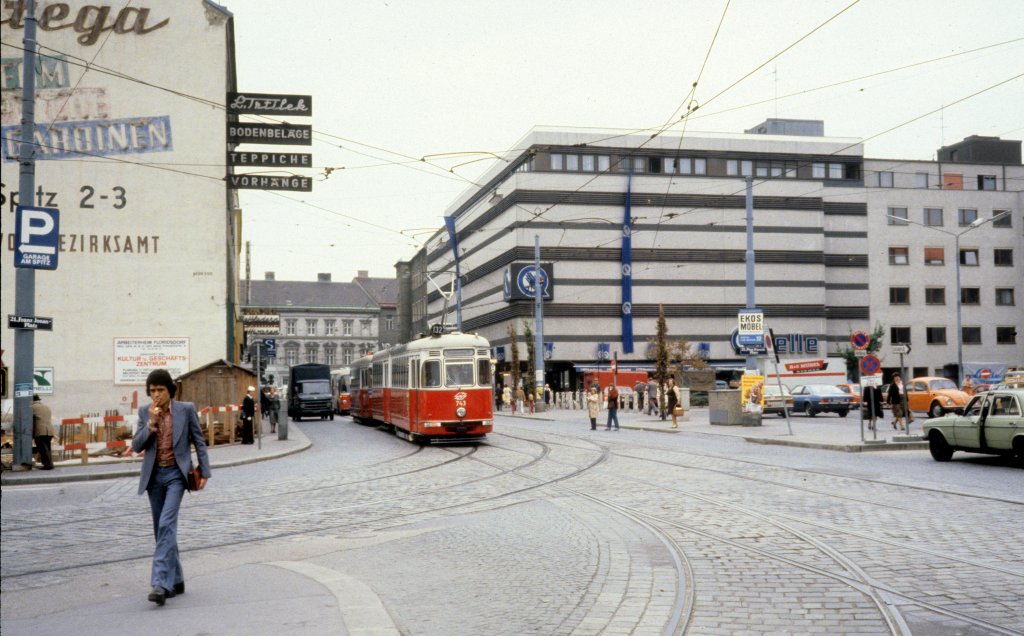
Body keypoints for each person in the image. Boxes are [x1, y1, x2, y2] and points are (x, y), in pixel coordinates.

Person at [132, 368, 210, 607]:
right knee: (161, 530)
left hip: (176, 474)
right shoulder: (145, 413)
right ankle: (177, 579)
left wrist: (204, 470)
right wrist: (151, 424)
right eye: (152, 390)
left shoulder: (185, 410)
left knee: (167, 524)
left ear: (170, 391)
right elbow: (136, 445)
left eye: (160, 390)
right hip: (154, 477)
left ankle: (160, 584)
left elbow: (198, 439)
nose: (156, 394)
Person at [31, 395, 55, 470]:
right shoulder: (46, 407)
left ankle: (48, 465)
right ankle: (49, 463)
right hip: (49, 430)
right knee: (47, 448)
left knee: (43, 449)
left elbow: (26, 418)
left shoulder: (32, 407)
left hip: (40, 431)